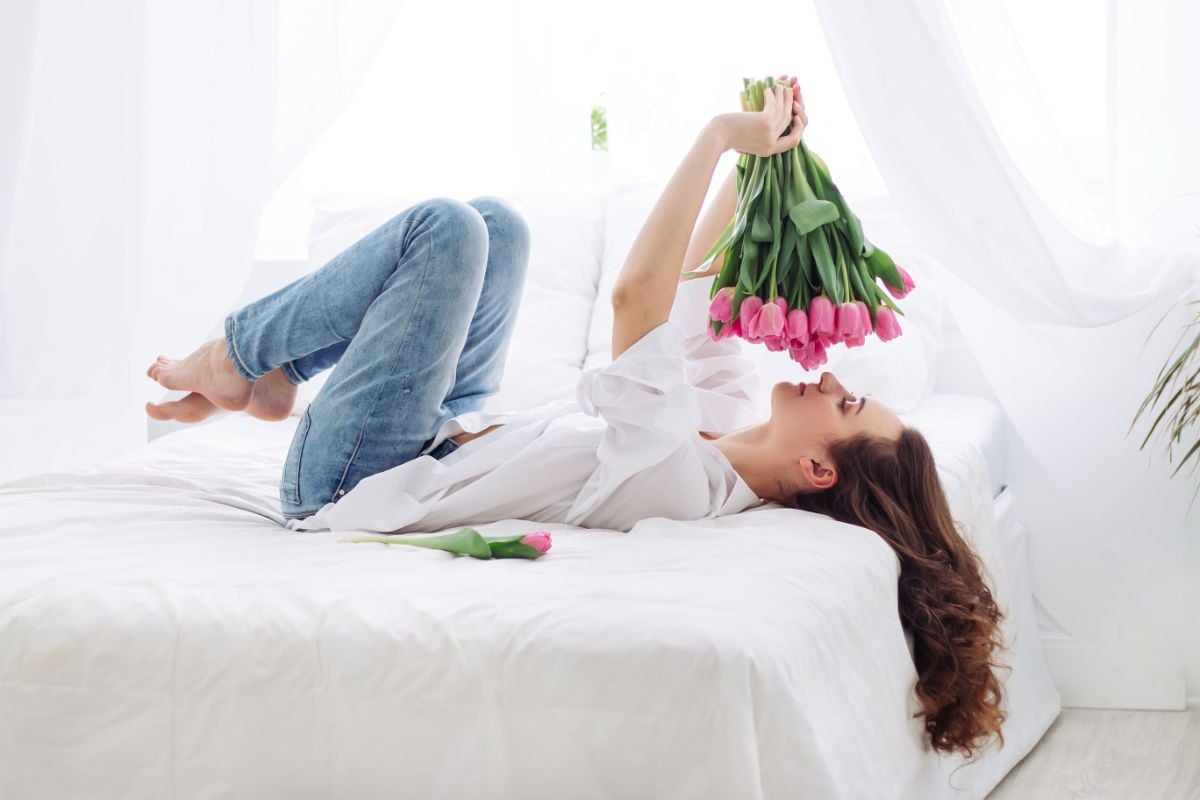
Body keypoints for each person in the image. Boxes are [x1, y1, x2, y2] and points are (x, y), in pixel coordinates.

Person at [146, 79, 1006, 761]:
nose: (826, 376)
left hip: (355, 477)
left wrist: (713, 136)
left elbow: (638, 297)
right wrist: (760, 165)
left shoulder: (679, 476)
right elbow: (697, 286)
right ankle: (272, 376)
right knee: (500, 228)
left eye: (846, 403)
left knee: (445, 232)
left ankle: (239, 358)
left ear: (821, 469)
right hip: (449, 427)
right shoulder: (725, 421)